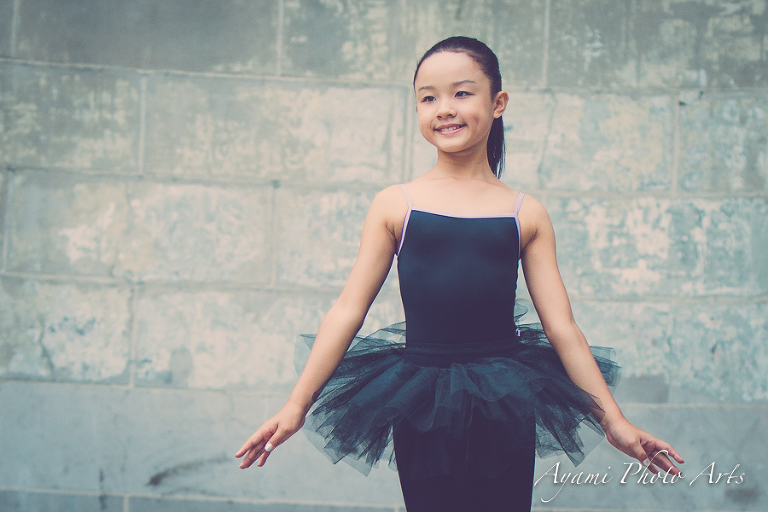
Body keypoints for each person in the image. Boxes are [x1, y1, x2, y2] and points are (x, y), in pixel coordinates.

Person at [236, 36, 684, 511]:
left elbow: (562, 327)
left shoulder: (524, 213)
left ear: (499, 103)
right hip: (420, 399)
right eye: (428, 97)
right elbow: (348, 310)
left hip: (507, 398)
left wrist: (613, 420)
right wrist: (296, 405)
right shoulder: (396, 204)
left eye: (462, 93)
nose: (444, 108)